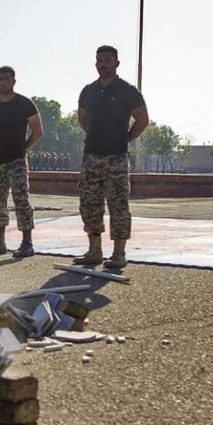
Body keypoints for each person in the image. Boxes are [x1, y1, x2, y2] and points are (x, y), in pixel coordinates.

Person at [74, 45, 148, 269]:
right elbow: (83, 118)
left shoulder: (127, 90)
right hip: (91, 157)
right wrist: (95, 136)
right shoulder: (88, 91)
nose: (102, 63)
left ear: (117, 63)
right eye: (99, 60)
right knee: (89, 204)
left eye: (107, 60)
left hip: (116, 157)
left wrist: (124, 139)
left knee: (118, 204)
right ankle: (94, 251)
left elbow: (142, 120)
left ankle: (119, 254)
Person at [0, 66, 43, 257]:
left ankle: (27, 243)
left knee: (21, 200)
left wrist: (22, 149)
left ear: (14, 81)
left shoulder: (24, 104)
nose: (2, 82)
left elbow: (37, 131)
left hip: (16, 160)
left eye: (6, 79)